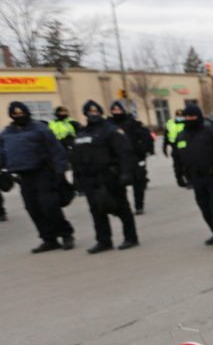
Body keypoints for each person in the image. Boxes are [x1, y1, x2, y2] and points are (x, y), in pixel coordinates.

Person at [0, 102, 75, 252]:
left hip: (43, 172)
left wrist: (60, 171)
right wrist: (5, 170)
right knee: (32, 208)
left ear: (27, 112)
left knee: (49, 206)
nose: (18, 115)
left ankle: (66, 234)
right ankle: (49, 239)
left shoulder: (40, 128)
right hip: (23, 175)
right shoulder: (7, 133)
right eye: (15, 114)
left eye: (21, 112)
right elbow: (2, 153)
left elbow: (56, 150)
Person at [71, 101, 139, 253]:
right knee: (96, 211)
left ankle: (130, 237)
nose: (93, 115)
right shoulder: (82, 133)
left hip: (109, 176)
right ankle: (103, 241)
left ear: (101, 113)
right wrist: (77, 178)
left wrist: (126, 173)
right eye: (90, 112)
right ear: (85, 114)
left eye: (96, 112)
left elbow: (125, 153)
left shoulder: (111, 130)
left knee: (121, 208)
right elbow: (75, 158)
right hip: (90, 179)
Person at [171, 104, 213, 248]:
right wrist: (179, 176)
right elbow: (177, 158)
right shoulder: (181, 136)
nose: (189, 119)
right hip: (195, 179)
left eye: (192, 116)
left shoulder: (211, 132)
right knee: (205, 208)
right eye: (187, 116)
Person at [109, 100, 154, 214]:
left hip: (134, 158)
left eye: (118, 110)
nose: (116, 112)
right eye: (114, 110)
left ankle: (139, 205)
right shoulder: (109, 125)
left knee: (138, 183)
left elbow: (145, 137)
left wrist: (143, 151)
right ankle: (123, 207)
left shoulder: (132, 123)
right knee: (118, 184)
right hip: (117, 159)